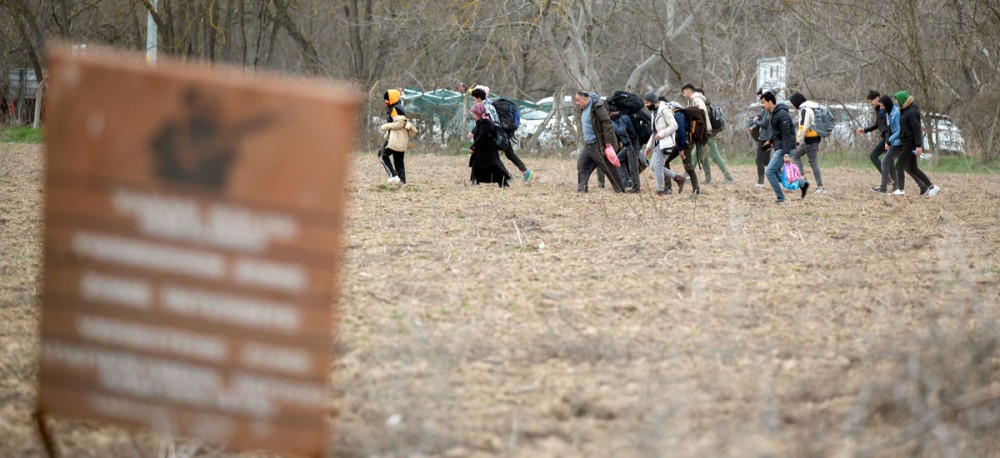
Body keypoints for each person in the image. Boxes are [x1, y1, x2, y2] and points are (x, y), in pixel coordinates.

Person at [470, 86, 534, 184]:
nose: (473, 102)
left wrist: (474, 131)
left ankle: (508, 176)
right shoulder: (489, 104)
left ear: (479, 98)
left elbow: (487, 122)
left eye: (474, 99)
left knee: (495, 157)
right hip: (500, 133)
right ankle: (521, 172)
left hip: (495, 135)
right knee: (507, 154)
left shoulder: (485, 107)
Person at [762, 91, 808, 203]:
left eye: (763, 103)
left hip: (785, 147)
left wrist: (786, 153)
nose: (762, 105)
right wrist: (771, 141)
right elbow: (778, 132)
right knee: (775, 172)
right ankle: (802, 184)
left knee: (769, 172)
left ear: (770, 101)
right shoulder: (773, 114)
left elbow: (787, 135)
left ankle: (781, 198)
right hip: (781, 146)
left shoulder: (782, 114)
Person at [681, 84, 733, 184]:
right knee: (700, 155)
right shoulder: (698, 101)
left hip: (708, 134)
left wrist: (705, 131)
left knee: (713, 156)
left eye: (684, 92)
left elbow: (703, 118)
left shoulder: (699, 101)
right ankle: (706, 178)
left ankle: (728, 177)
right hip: (704, 133)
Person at [574, 91, 624, 193]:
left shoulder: (597, 106)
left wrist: (607, 142)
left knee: (607, 166)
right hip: (588, 144)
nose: (577, 103)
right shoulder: (584, 109)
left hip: (597, 144)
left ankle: (620, 189)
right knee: (582, 165)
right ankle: (582, 188)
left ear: (585, 99)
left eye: (578, 100)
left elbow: (607, 123)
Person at [893, 90, 940, 197]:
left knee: (899, 165)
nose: (895, 102)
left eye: (896, 100)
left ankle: (900, 189)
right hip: (908, 142)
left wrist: (918, 146)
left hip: (910, 143)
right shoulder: (905, 111)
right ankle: (932, 187)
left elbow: (916, 129)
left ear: (901, 100)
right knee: (913, 168)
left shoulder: (911, 112)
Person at [641, 93, 685, 195]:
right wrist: (648, 146)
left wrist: (661, 134)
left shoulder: (664, 110)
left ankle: (660, 190)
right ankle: (677, 177)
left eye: (647, 102)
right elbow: (654, 131)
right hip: (657, 143)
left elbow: (674, 126)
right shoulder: (653, 111)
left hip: (666, 142)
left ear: (653, 102)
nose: (646, 105)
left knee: (658, 166)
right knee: (653, 166)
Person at [788, 92, 826, 193]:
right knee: (795, 156)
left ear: (796, 102)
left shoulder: (805, 110)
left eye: (792, 103)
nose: (792, 105)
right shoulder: (812, 108)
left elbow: (803, 128)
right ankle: (802, 177)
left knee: (813, 163)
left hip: (811, 140)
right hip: (813, 139)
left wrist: (797, 142)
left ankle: (820, 187)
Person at [468, 103, 511, 187]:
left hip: (487, 149)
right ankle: (475, 181)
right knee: (476, 165)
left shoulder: (485, 122)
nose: (473, 115)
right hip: (482, 149)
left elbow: (482, 136)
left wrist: (473, 146)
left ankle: (503, 182)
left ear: (478, 113)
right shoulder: (480, 121)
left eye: (474, 114)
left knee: (493, 166)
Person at [379, 89, 415, 184]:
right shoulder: (398, 106)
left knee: (382, 155)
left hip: (395, 139)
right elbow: (397, 123)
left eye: (387, 99)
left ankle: (393, 175)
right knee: (399, 160)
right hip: (401, 137)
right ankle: (402, 181)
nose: (385, 102)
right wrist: (388, 133)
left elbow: (399, 123)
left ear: (392, 98)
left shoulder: (394, 108)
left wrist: (385, 126)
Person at [856, 90, 891, 182]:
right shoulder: (878, 110)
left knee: (874, 156)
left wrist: (887, 141)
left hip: (888, 138)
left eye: (871, 101)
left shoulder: (882, 110)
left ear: (877, 99)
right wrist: (864, 130)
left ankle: (888, 179)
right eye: (869, 102)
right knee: (888, 162)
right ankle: (889, 180)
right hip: (886, 138)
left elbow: (889, 126)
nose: (870, 104)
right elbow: (877, 125)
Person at [873, 94, 901, 194]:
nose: (881, 109)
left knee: (886, 163)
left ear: (887, 105)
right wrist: (887, 140)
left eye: (882, 106)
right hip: (893, 141)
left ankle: (885, 188)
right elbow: (889, 128)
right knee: (906, 166)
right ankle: (894, 187)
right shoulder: (889, 113)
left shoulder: (896, 113)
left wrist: (889, 140)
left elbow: (899, 131)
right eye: (880, 107)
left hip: (899, 142)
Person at [610, 108, 642, 192]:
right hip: (627, 145)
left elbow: (621, 131)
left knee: (633, 168)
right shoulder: (621, 117)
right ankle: (627, 181)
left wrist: (612, 123)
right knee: (618, 160)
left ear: (615, 111)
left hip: (632, 145)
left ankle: (636, 189)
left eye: (610, 113)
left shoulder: (624, 117)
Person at [749, 88, 774, 188]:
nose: (759, 98)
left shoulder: (766, 109)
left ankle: (760, 182)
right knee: (766, 160)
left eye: (760, 96)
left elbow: (763, 124)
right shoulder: (768, 108)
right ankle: (776, 175)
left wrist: (755, 121)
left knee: (759, 160)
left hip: (765, 138)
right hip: (768, 137)